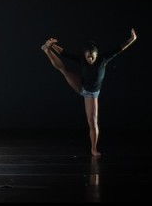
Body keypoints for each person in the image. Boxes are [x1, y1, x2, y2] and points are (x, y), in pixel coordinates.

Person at [41, 28, 137, 156]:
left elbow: (120, 48)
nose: (89, 59)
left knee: (93, 122)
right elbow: (63, 53)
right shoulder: (82, 59)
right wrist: (52, 46)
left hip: (91, 94)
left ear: (96, 55)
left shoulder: (103, 59)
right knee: (64, 70)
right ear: (84, 55)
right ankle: (47, 50)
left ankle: (93, 148)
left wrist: (132, 39)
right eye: (87, 57)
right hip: (81, 86)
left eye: (92, 57)